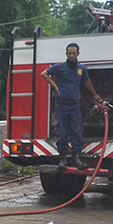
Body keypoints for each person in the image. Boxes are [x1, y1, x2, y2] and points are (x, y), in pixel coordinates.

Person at [41, 42, 102, 170]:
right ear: (66, 54)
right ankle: (63, 158)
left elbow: (87, 81)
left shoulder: (81, 69)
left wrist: (95, 94)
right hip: (61, 105)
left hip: (75, 105)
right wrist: (54, 85)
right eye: (69, 53)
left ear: (78, 54)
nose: (72, 55)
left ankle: (76, 158)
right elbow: (44, 74)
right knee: (61, 132)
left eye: (74, 53)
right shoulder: (60, 67)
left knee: (77, 131)